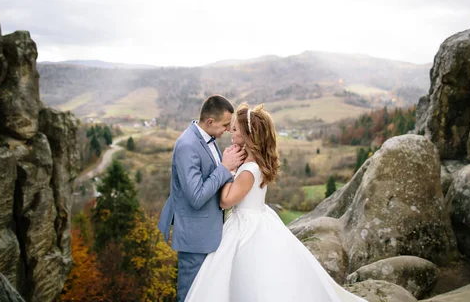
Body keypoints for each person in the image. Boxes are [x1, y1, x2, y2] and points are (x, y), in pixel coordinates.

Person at [185, 103, 368, 302]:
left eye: (235, 129)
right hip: (258, 217)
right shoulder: (253, 162)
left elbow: (225, 201)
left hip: (246, 227)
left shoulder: (248, 170)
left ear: (248, 135)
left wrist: (225, 169)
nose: (230, 131)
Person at [158, 95, 246, 302]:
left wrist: (227, 169)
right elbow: (196, 197)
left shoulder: (208, 139)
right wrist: (224, 168)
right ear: (210, 122)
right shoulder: (187, 145)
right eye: (225, 125)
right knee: (190, 295)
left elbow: (211, 177)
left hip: (210, 234)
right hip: (195, 238)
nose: (227, 129)